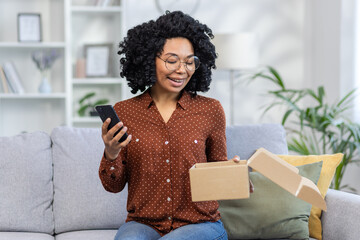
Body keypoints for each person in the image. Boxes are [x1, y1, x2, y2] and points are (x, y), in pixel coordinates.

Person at [99, 11, 253, 240]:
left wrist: (234, 174)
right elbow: (113, 186)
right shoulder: (126, 112)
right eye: (172, 60)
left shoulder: (210, 110)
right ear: (149, 58)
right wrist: (111, 153)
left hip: (201, 223)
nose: (182, 69)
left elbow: (217, 169)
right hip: (143, 223)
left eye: (190, 62)